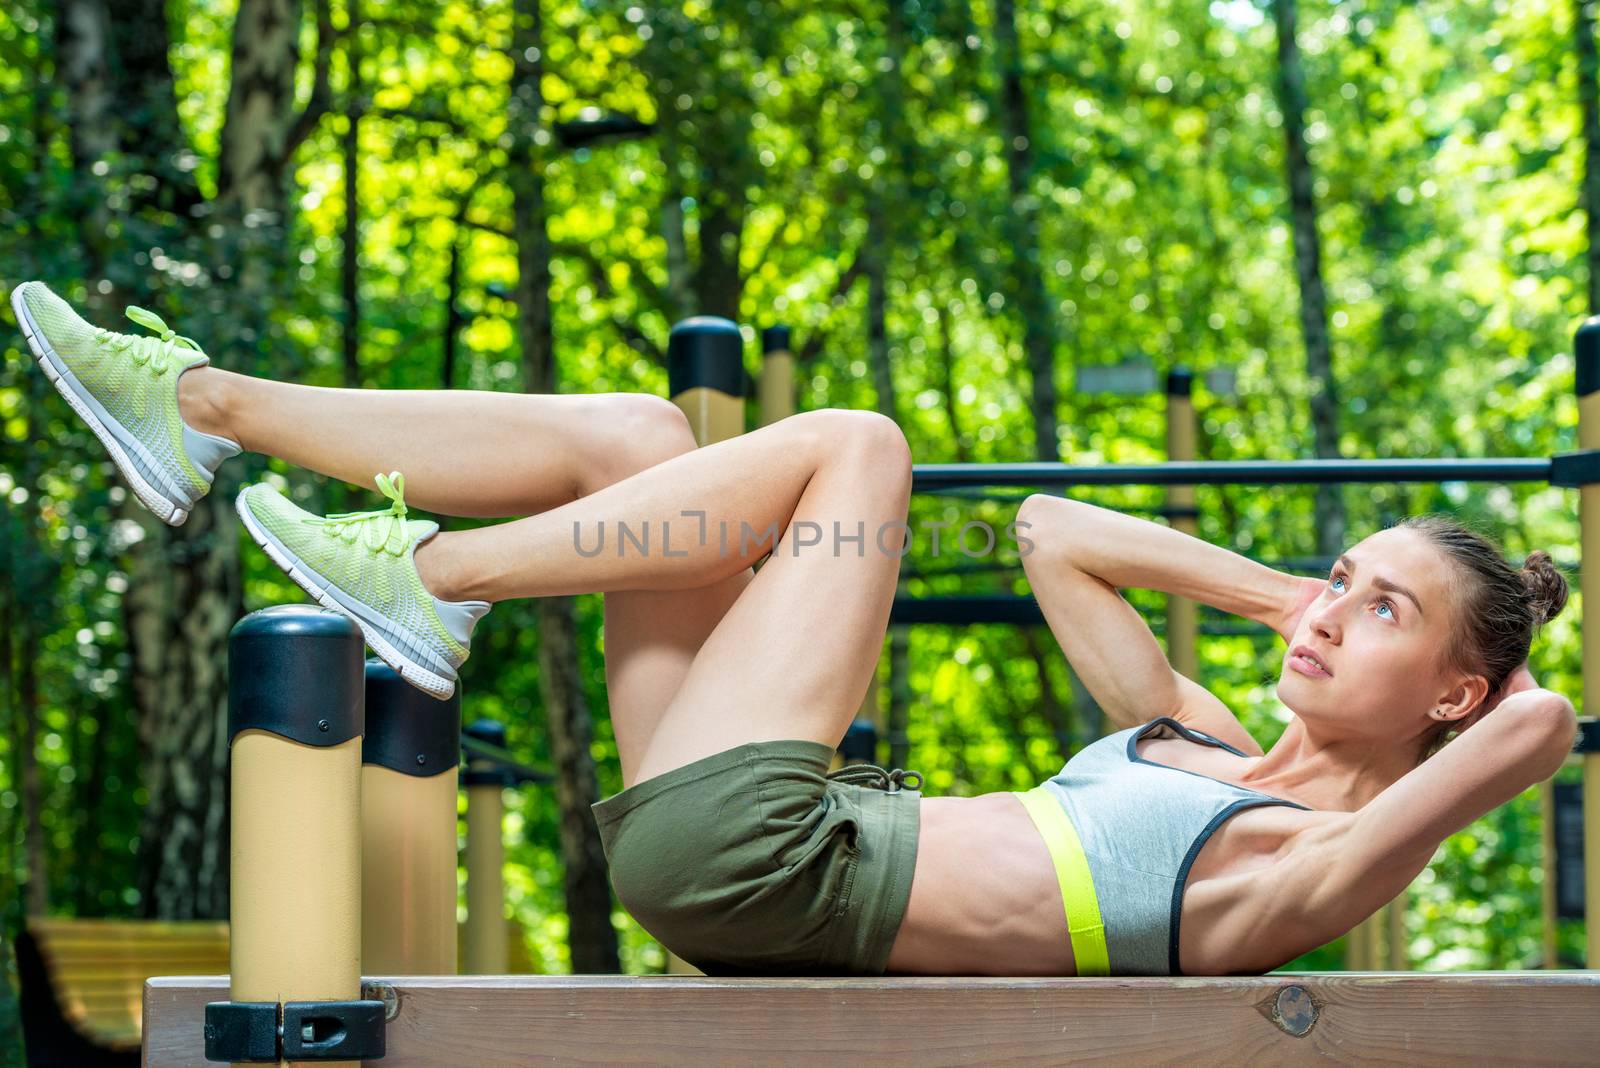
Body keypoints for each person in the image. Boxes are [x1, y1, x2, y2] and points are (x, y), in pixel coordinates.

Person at [11, 281, 1578, 977]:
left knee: (864, 451)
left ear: (1452, 689)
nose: (1330, 608)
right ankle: (199, 408)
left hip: (774, 860)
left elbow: (1544, 725)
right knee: (638, 439)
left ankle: (437, 577)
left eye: (1383, 611)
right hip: (762, 840)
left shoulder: (1297, 871)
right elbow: (1053, 536)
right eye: (1341, 574)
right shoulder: (1204, 738)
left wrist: (1479, 674)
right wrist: (1289, 595)